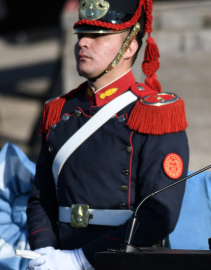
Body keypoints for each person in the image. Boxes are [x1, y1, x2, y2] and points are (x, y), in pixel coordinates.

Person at [26, 0, 189, 269]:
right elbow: (41, 198)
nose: (83, 43)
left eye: (98, 36)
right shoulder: (59, 111)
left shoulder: (154, 113)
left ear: (130, 47)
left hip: (126, 259)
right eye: (81, 35)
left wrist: (81, 259)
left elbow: (159, 214)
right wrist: (45, 252)